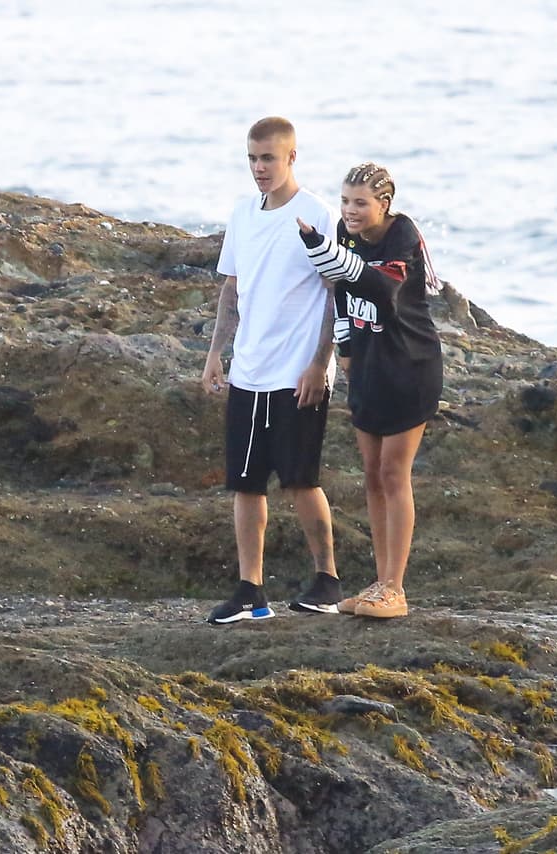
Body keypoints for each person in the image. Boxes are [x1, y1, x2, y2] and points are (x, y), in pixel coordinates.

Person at [202, 116, 343, 625]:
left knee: (301, 481)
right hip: (250, 372)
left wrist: (319, 364)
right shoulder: (243, 215)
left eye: (268, 158)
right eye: (252, 159)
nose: (260, 168)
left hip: (298, 373)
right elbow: (231, 289)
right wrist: (216, 353)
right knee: (245, 484)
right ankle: (250, 591)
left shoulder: (319, 215)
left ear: (291, 158)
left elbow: (335, 294)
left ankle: (326, 579)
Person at [295, 162, 443, 619]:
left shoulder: (403, 235)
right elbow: (340, 290)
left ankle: (395, 590)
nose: (350, 211)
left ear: (385, 203)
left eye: (360, 203)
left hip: (409, 366)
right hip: (368, 369)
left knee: (395, 473)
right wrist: (343, 346)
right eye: (344, 201)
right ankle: (380, 583)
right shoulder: (346, 232)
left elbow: (382, 289)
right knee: (372, 474)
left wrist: (321, 249)